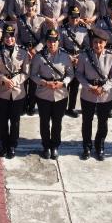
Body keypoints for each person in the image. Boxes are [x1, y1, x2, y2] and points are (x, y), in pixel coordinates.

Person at [30, 28, 73, 160]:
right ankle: (46, 146)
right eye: (49, 41)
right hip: (44, 94)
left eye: (54, 41)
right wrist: (44, 82)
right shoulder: (39, 56)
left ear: (58, 41)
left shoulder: (65, 56)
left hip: (60, 94)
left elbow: (71, 74)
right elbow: (33, 75)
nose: (52, 44)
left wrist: (64, 83)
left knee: (57, 122)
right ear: (46, 42)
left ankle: (55, 146)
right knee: (44, 122)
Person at [76, 32, 112, 160]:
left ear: (105, 43)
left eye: (100, 42)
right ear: (91, 43)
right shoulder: (84, 56)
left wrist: (104, 88)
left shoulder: (111, 57)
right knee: (87, 122)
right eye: (95, 42)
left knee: (102, 122)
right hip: (88, 93)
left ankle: (100, 146)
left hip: (104, 95)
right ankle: (87, 147)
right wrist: (89, 87)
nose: (97, 45)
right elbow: (79, 74)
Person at [0, 24, 29, 158]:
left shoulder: (23, 52)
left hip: (17, 91)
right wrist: (3, 80)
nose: (9, 39)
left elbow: (26, 72)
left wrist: (15, 81)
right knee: (2, 120)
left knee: (15, 121)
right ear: (3, 38)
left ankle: (12, 144)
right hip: (1, 90)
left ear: (15, 37)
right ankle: (4, 144)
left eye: (12, 36)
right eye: (7, 37)